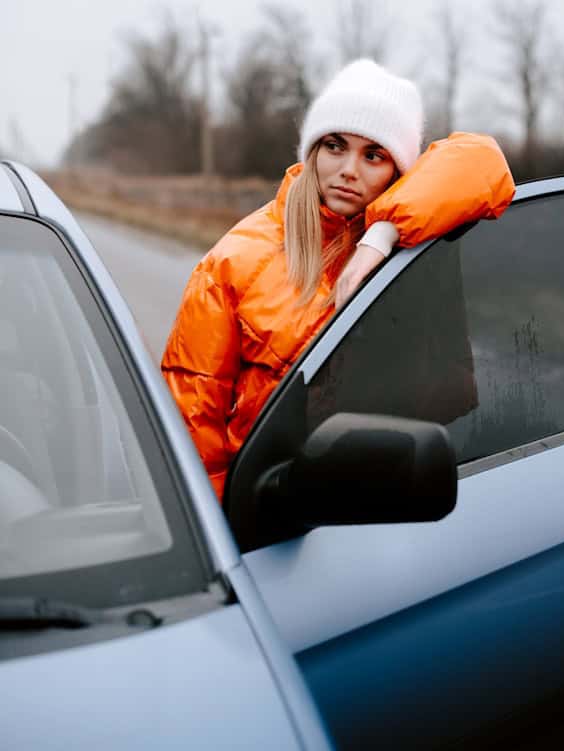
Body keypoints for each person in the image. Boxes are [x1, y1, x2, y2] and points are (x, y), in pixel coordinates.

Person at [161, 58, 515, 500]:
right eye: (334, 146)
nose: (349, 169)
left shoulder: (408, 246)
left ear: (398, 173)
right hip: (266, 508)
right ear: (312, 152)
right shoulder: (233, 262)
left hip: (390, 500)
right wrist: (225, 523)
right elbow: (193, 421)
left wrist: (380, 236)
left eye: (374, 155)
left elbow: (485, 161)